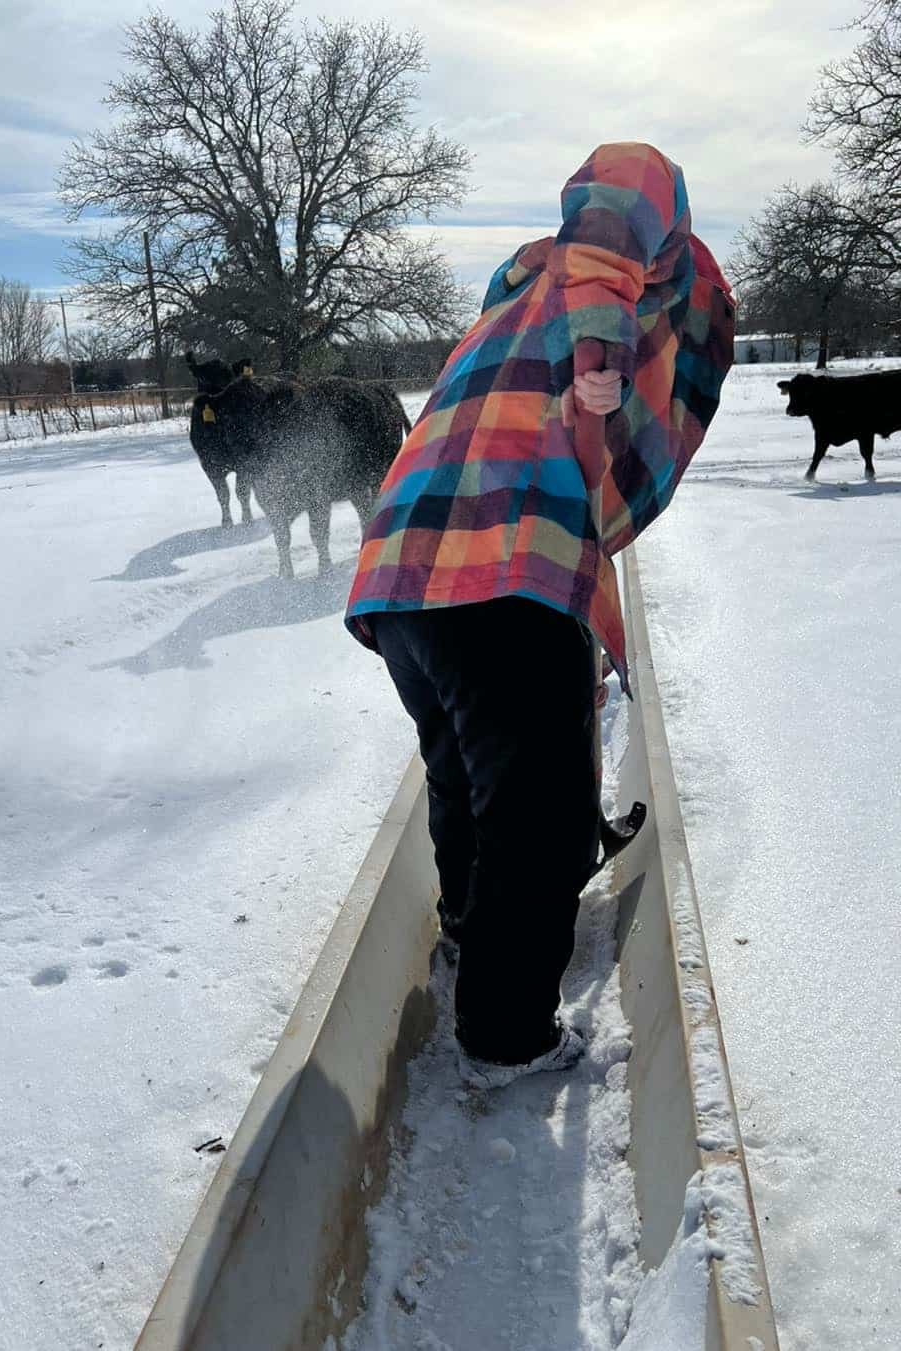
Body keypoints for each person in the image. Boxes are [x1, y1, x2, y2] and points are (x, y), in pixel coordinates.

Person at [343, 142, 735, 1088]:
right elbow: (613, 229)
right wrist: (605, 359)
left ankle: (470, 943)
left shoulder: (516, 289)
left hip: (401, 574)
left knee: (468, 777)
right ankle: (505, 1033)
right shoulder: (599, 280)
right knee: (542, 816)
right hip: (503, 569)